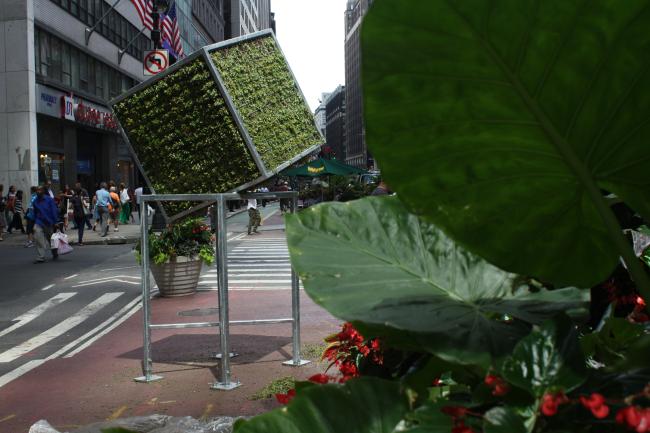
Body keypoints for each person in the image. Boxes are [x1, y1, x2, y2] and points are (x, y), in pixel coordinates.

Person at [32, 185, 59, 263]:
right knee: (38, 238)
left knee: (51, 239)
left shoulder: (49, 200)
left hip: (49, 222)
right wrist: (34, 220)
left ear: (43, 191)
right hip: (39, 222)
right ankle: (41, 256)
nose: (38, 192)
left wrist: (56, 222)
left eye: (40, 190)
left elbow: (54, 211)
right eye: (37, 190)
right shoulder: (35, 202)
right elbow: (35, 212)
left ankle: (55, 253)